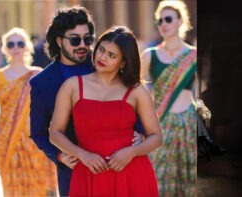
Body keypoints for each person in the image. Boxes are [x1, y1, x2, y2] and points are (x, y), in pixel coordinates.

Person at [29, 5, 143, 196]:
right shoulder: (41, 84)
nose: (83, 45)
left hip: (119, 166)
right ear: (59, 40)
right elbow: (38, 133)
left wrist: (140, 134)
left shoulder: (106, 62)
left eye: (88, 39)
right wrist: (59, 156)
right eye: (75, 40)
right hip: (74, 170)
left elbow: (132, 100)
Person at [49, 25, 163, 197]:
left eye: (112, 56)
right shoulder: (72, 86)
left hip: (132, 174)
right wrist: (82, 154)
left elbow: (157, 137)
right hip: (87, 173)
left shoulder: (136, 91)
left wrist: (131, 152)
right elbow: (55, 133)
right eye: (101, 49)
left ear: (123, 62)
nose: (102, 57)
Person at [0, 27, 57, 197]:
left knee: (38, 188)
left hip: (36, 143)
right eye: (11, 44)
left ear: (27, 47)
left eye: (20, 43)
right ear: (5, 49)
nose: (16, 47)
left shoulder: (38, 74)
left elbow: (53, 106)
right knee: (12, 189)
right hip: (8, 141)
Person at [140, 0, 197, 196]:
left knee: (188, 176)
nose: (163, 24)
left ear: (181, 21)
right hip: (160, 123)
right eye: (160, 20)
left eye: (168, 19)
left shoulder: (194, 55)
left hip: (188, 123)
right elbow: (134, 89)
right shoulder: (149, 55)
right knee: (159, 176)